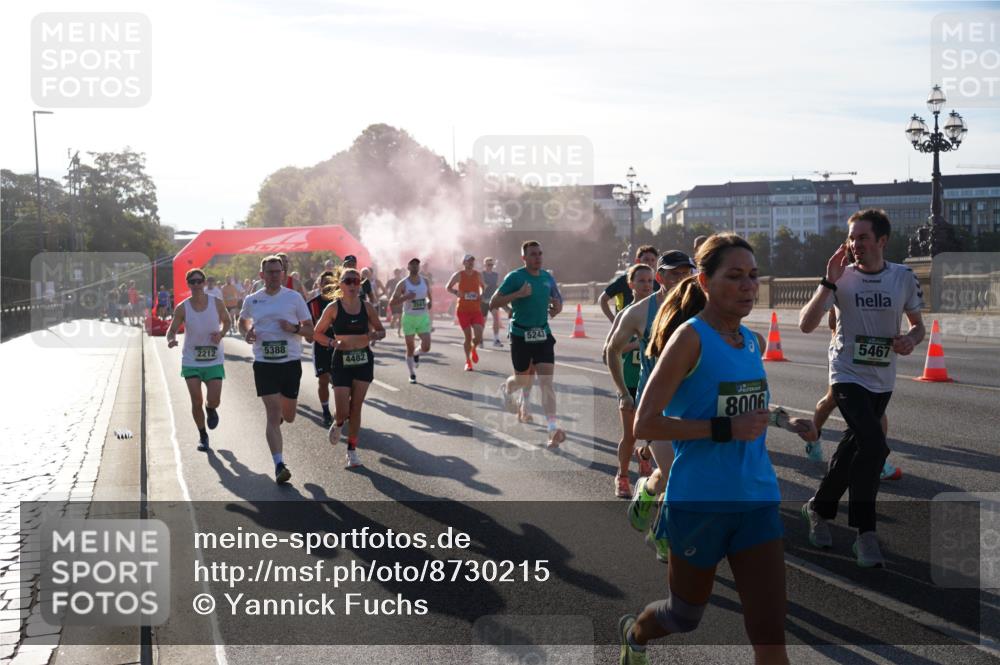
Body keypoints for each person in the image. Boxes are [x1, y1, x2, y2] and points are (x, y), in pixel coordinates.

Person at [620, 233, 815, 665]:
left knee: (769, 634)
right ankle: (635, 634)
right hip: (700, 502)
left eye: (753, 276)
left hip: (756, 498)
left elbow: (745, 404)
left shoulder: (750, 341)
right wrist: (723, 429)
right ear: (705, 282)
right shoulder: (689, 338)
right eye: (735, 276)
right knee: (684, 615)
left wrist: (785, 419)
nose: (748, 286)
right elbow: (645, 422)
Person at [798, 208, 924, 568]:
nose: (854, 244)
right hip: (846, 373)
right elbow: (807, 325)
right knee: (874, 444)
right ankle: (865, 535)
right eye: (851, 237)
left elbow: (919, 326)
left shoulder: (903, 277)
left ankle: (818, 509)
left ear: (882, 241)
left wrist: (911, 340)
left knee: (856, 448)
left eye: (862, 237)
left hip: (882, 379)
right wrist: (828, 281)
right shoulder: (842, 277)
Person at [605, 250, 696, 558]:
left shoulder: (701, 306)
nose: (682, 279)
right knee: (678, 474)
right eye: (674, 274)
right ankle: (661, 535)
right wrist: (624, 392)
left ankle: (647, 490)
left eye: (687, 273)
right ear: (660, 277)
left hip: (691, 403)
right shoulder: (640, 312)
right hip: (654, 406)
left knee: (678, 472)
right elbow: (611, 350)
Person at [238, 255, 314, 484]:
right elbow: (242, 321)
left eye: (277, 271)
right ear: (261, 275)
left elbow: (310, 331)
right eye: (269, 272)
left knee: (288, 416)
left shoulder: (294, 298)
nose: (273, 276)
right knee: (272, 413)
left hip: (290, 363)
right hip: (264, 363)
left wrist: (292, 328)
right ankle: (279, 464)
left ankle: (283, 416)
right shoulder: (252, 300)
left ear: (283, 273)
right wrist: (247, 332)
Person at [804, 311, 901, 480]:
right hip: (846, 353)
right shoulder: (844, 284)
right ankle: (813, 439)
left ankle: (877, 459)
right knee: (831, 400)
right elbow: (832, 323)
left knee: (876, 407)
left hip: (873, 350)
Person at [490, 240, 566, 448]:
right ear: (524, 258)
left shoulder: (547, 277)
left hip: (542, 334)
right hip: (520, 335)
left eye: (540, 253)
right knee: (523, 381)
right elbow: (493, 302)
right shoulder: (515, 277)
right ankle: (507, 388)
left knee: (546, 383)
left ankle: (552, 429)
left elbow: (558, 300)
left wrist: (556, 308)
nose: (537, 257)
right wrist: (518, 295)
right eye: (533, 254)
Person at [313, 268, 387, 468]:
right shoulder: (333, 308)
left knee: (356, 407)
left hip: (363, 360)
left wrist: (375, 335)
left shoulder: (367, 307)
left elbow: (382, 330)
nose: (353, 285)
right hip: (341, 362)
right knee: (344, 411)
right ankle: (338, 424)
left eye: (356, 281)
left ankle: (352, 451)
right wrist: (330, 343)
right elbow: (317, 333)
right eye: (348, 281)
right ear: (341, 285)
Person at [603, 264, 655, 497]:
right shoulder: (627, 314)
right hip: (630, 382)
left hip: (653, 383)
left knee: (659, 435)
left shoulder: (659, 312)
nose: (646, 285)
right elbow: (609, 351)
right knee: (630, 435)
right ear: (631, 284)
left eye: (649, 281)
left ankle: (644, 455)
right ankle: (622, 476)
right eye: (641, 281)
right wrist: (638, 343)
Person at [166, 268, 231, 451]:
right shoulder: (182, 307)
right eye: (192, 282)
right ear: (188, 284)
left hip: (213, 360)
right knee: (196, 401)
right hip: (191, 360)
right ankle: (203, 435)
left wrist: (221, 333)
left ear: (204, 283)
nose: (196, 285)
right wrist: (171, 339)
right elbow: (171, 330)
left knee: (214, 399)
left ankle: (211, 409)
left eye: (198, 281)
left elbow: (227, 321)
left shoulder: (216, 303)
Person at [389, 258, 433, 384]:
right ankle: (412, 374)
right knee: (409, 347)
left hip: (423, 317)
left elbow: (429, 297)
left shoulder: (425, 281)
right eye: (412, 265)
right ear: (408, 267)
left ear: (419, 267)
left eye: (416, 265)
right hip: (409, 318)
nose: (415, 267)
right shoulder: (403, 284)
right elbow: (392, 302)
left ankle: (417, 354)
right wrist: (406, 297)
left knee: (427, 346)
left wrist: (429, 303)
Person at [306, 270, 338, 427]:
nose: (328, 286)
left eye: (331, 283)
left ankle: (341, 410)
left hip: (339, 346)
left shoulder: (342, 302)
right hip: (320, 346)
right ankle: (325, 411)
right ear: (319, 285)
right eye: (325, 283)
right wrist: (307, 334)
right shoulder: (312, 304)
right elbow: (307, 328)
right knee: (324, 379)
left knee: (341, 381)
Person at [446, 254, 486, 371]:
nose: (471, 263)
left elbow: (483, 287)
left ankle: (473, 348)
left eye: (472, 261)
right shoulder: (459, 275)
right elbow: (447, 287)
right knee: (468, 337)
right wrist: (455, 292)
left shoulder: (478, 275)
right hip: (463, 310)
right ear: (464, 263)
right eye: (468, 261)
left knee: (478, 336)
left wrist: (481, 294)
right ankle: (468, 361)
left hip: (476, 309)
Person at [599, 245, 659, 322]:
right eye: (646, 259)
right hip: (625, 327)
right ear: (638, 261)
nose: (650, 263)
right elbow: (602, 299)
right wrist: (614, 321)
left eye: (653, 260)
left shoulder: (657, 282)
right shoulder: (624, 280)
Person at [481, 257, 504, 347]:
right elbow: (480, 285)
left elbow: (498, 285)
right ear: (485, 265)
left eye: (491, 265)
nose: (490, 266)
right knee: (483, 320)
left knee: (496, 318)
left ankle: (496, 339)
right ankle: (480, 339)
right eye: (488, 265)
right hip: (483, 299)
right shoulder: (481, 274)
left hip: (493, 299)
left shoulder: (495, 275)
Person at [385, 268, 404, 336]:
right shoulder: (391, 281)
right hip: (393, 300)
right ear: (394, 274)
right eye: (396, 273)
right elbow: (385, 289)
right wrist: (388, 296)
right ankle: (392, 321)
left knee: (401, 316)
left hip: (401, 300)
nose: (398, 274)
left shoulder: (403, 281)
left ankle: (399, 332)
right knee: (396, 315)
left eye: (399, 273)